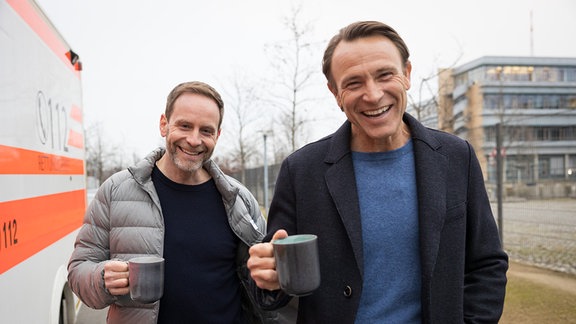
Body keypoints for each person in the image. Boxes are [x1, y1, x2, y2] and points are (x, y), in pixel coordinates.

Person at [247, 21, 508, 323]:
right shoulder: (300, 170)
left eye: (385, 75)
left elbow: (487, 264)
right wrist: (268, 279)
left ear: (407, 74)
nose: (373, 95)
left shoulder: (456, 156)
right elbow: (274, 282)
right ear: (335, 93)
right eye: (354, 83)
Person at [68, 81, 276, 323]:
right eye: (185, 126)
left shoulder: (238, 198)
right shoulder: (116, 191)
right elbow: (78, 270)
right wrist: (101, 277)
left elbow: (264, 280)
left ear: (217, 135)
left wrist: (275, 268)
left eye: (206, 131)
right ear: (164, 124)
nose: (194, 140)